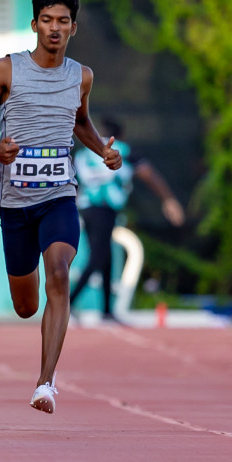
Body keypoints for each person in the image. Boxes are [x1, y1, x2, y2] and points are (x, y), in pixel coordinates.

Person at [0, 0, 120, 414]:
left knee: (59, 273)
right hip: (15, 205)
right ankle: (39, 349)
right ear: (34, 25)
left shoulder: (81, 76)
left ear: (73, 28)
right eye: (47, 20)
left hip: (59, 196)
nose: (54, 28)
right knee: (25, 304)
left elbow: (81, 122)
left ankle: (46, 383)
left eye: (63, 21)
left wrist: (101, 149)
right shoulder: (5, 70)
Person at [70, 118, 184, 322]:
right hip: (105, 208)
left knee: (105, 258)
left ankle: (106, 310)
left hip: (86, 208)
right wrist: (168, 199)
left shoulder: (84, 152)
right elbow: (150, 175)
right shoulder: (123, 149)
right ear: (119, 135)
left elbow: (74, 182)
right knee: (98, 256)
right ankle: (67, 303)